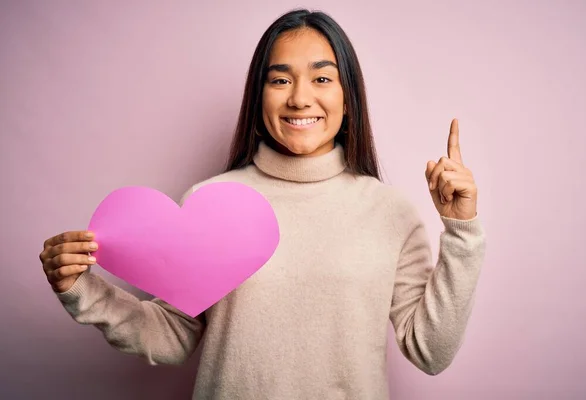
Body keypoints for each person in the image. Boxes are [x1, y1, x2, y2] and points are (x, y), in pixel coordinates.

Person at [39, 8, 486, 400]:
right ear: (259, 97)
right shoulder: (209, 202)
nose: (299, 97)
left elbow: (430, 352)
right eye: (280, 80)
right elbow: (173, 337)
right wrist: (82, 291)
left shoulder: (390, 213)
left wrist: (461, 230)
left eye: (322, 78)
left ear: (347, 99)